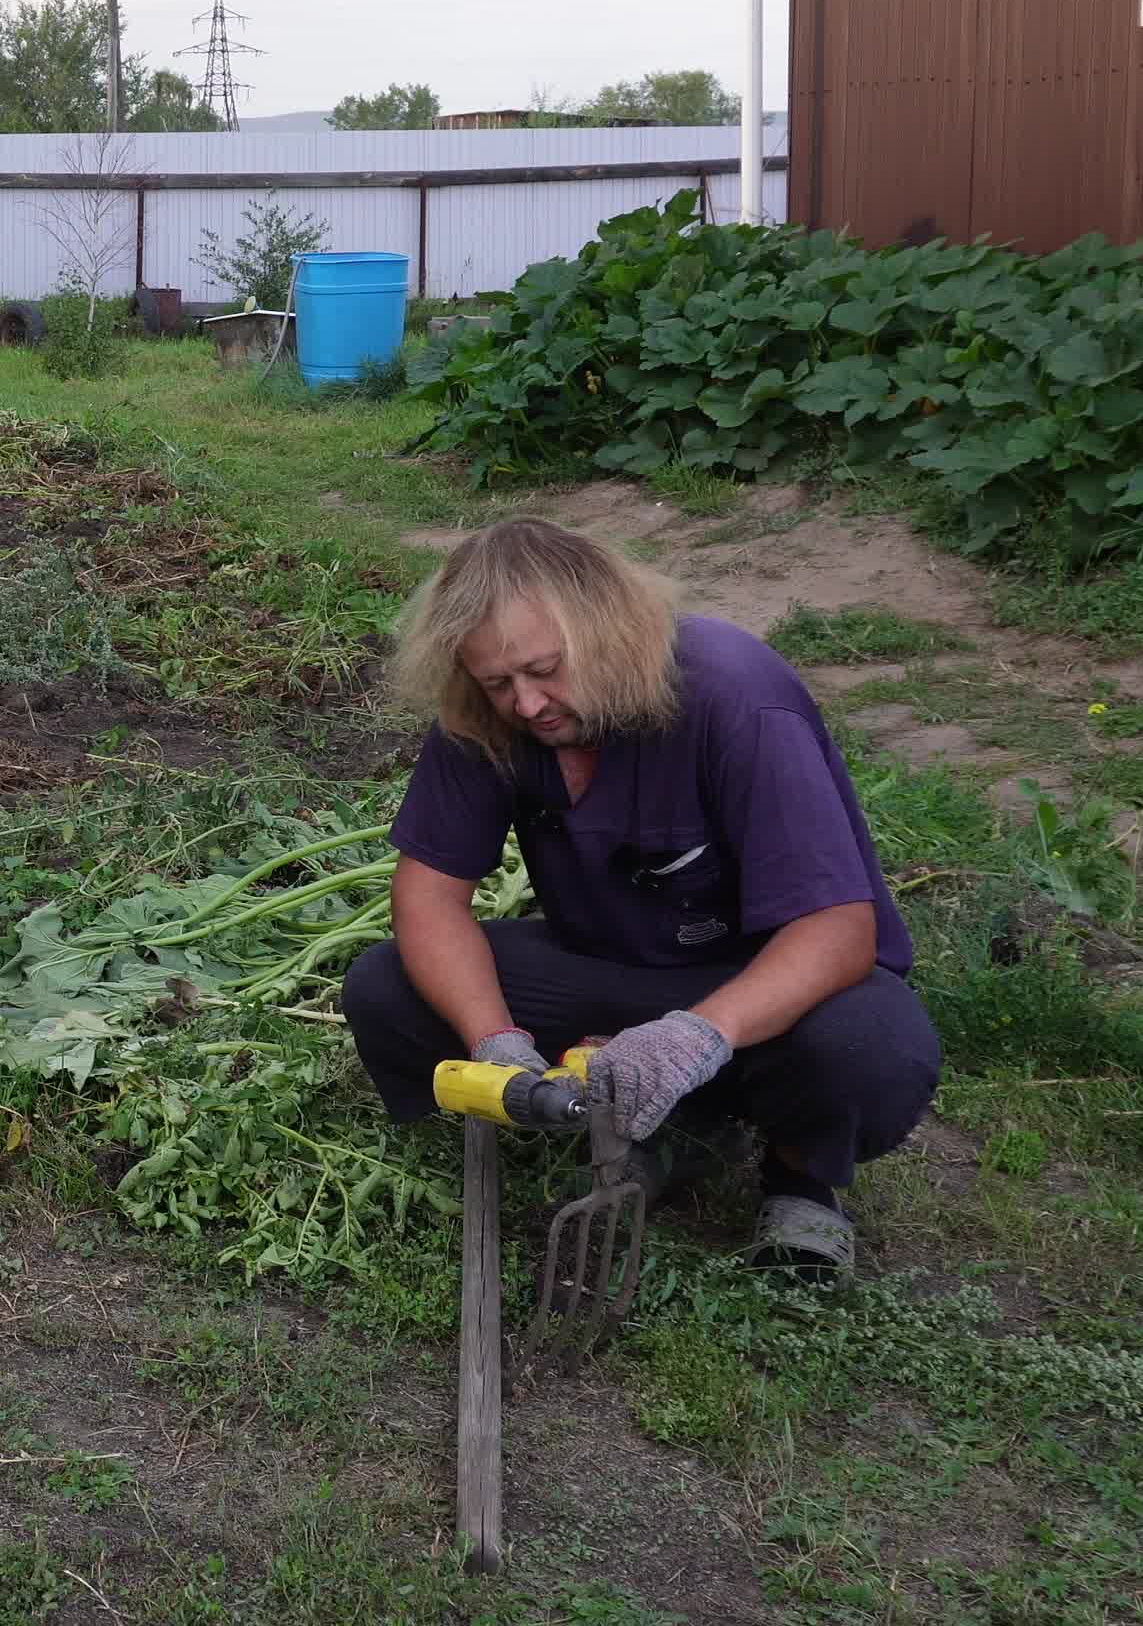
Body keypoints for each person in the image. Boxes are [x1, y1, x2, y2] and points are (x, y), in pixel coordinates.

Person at [337, 518, 941, 1272]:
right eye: (499, 684)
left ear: (607, 631)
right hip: (606, 968)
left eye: (544, 670)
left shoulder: (734, 693)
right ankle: (664, 1126)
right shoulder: (484, 717)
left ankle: (799, 1174)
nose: (526, 704)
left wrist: (696, 1036)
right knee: (385, 987)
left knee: (870, 1049)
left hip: (756, 984)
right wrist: (495, 1038)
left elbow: (837, 929)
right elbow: (428, 898)